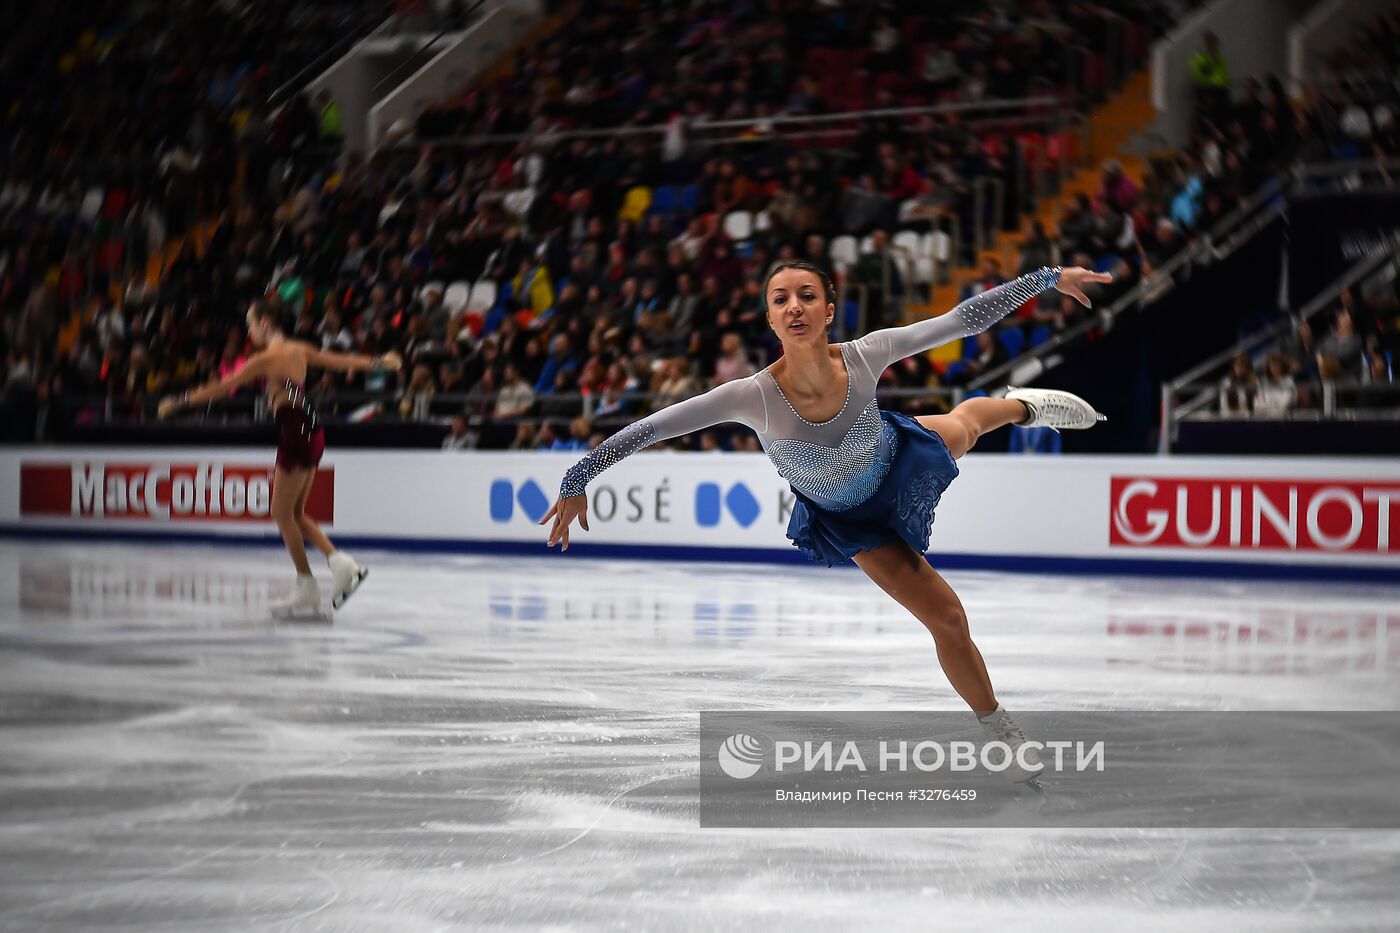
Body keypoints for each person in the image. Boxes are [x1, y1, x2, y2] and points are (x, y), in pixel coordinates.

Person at [540, 261, 1111, 782]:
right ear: (769, 317)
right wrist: (577, 478)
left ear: (827, 311)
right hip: (851, 522)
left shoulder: (866, 355)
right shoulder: (751, 396)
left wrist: (1045, 278)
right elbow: (653, 427)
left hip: (897, 459)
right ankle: (1001, 736)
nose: (795, 307)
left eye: (807, 296)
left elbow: (960, 320)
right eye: (781, 299)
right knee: (948, 617)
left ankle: (1026, 405)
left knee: (966, 426)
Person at [158, 301, 403, 618]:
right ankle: (341, 565)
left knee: (280, 512)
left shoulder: (266, 359)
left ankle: (309, 585)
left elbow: (222, 388)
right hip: (312, 429)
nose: (249, 330)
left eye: (250, 323)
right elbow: (341, 361)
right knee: (296, 513)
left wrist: (179, 402)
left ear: (264, 322)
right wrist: (381, 363)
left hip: (296, 430)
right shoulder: (298, 349)